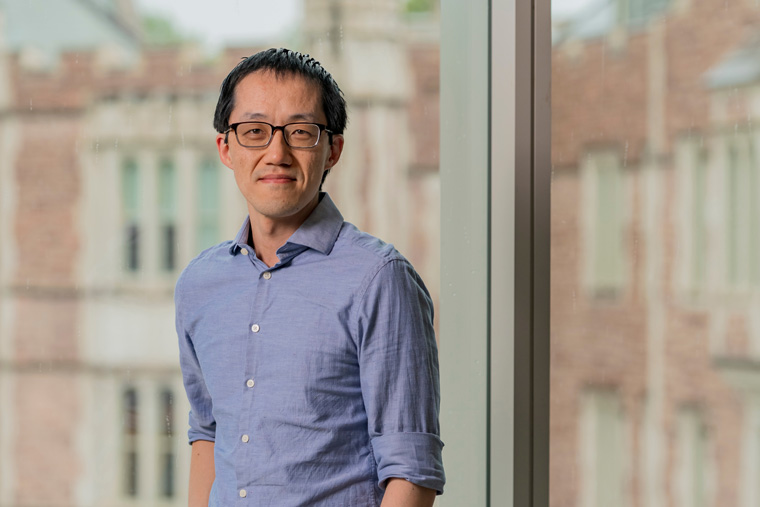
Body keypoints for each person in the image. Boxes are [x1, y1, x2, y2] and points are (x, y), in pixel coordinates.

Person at [175, 48, 445, 506]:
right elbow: (207, 434)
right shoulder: (199, 285)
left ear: (332, 149)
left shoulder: (379, 279)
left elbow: (412, 471)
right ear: (226, 147)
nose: (276, 153)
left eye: (300, 133)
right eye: (254, 132)